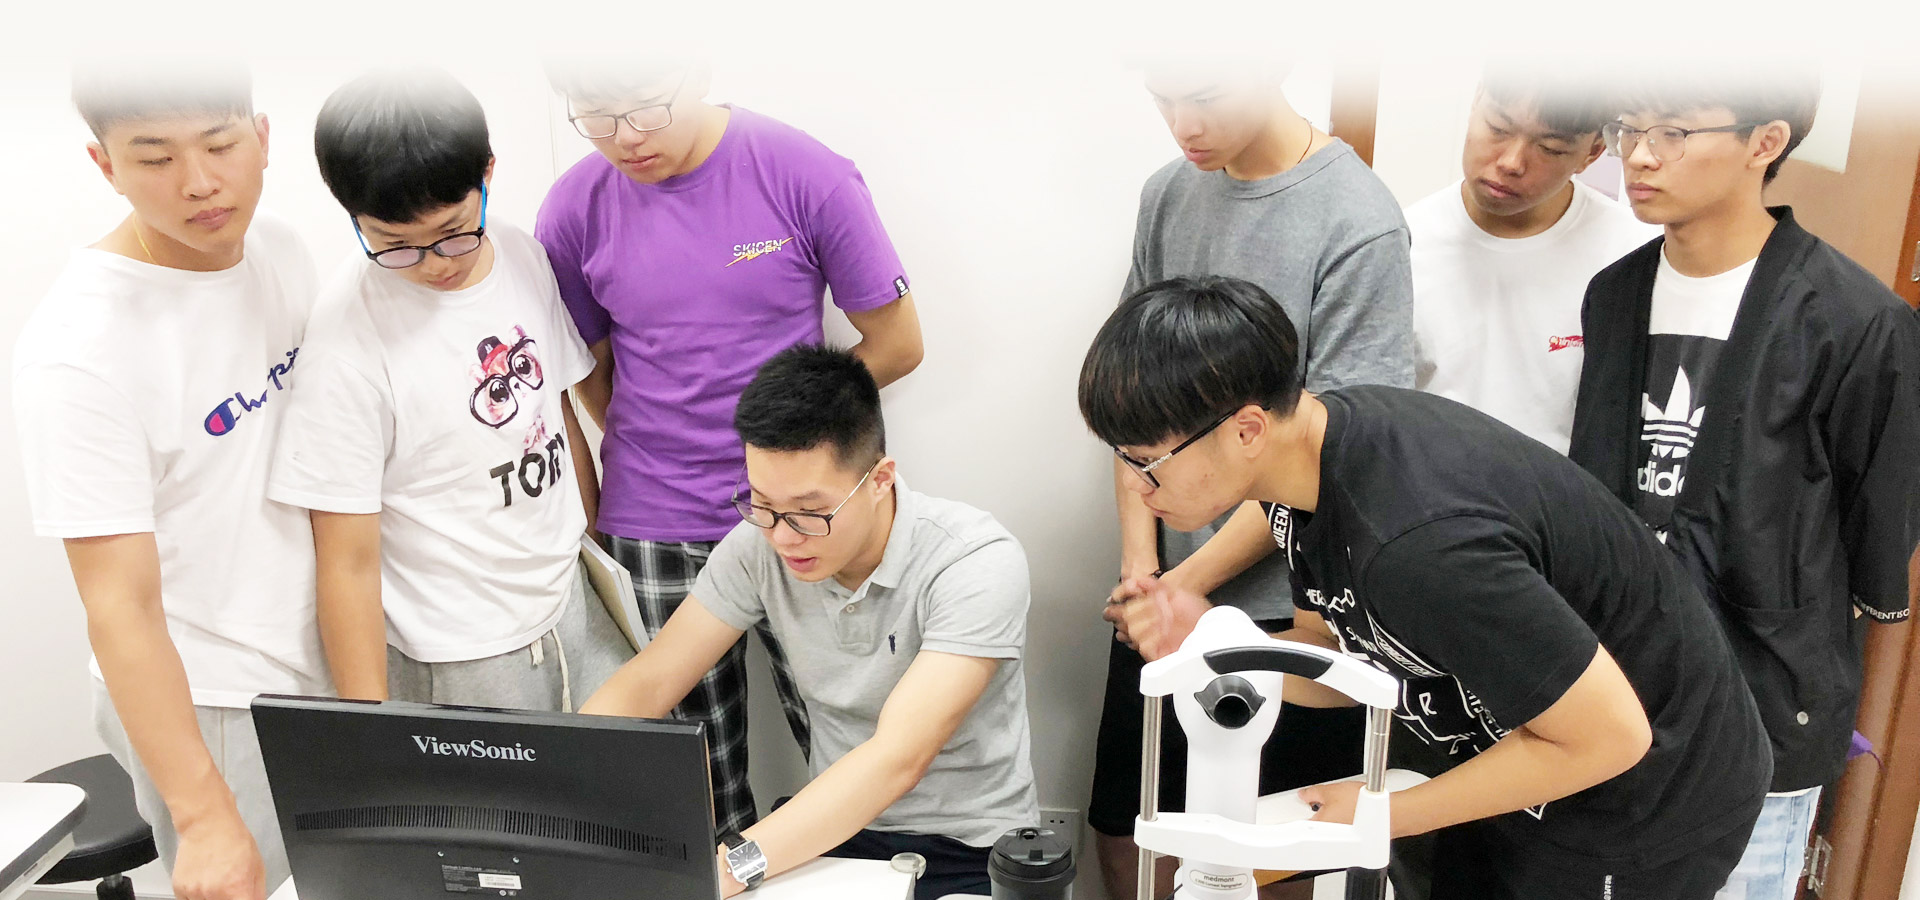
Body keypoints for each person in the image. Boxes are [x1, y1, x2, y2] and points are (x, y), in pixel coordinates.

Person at [1091, 276, 1769, 899]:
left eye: (1149, 462)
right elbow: (1344, 654)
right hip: (1521, 750)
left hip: (1647, 791)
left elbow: (1610, 739)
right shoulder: (1301, 468)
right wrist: (1227, 649)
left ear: (1246, 430)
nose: (1138, 486)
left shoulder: (1420, 544)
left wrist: (1380, 814)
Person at [537, 57, 925, 835]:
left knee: (850, 754)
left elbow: (897, 344)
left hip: (804, 518)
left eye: (645, 108)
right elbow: (590, 372)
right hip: (655, 521)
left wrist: (785, 439)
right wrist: (660, 449)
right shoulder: (574, 208)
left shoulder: (803, 173)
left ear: (697, 70)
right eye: (596, 118)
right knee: (692, 782)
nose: (626, 138)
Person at [1568, 68, 1920, 900]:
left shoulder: (1856, 322)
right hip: (1608, 706)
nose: (1639, 156)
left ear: (1766, 142)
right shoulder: (1614, 295)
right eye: (1628, 129)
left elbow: (1875, 538)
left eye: (1673, 132)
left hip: (1758, 718)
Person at [1094, 57, 1415, 900]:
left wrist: (1186, 585)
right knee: (1129, 831)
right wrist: (1143, 569)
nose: (1183, 125)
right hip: (1164, 592)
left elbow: (1323, 457)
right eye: (1163, 98)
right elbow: (1133, 398)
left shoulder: (1358, 222)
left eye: (1203, 97)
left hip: (1290, 606)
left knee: (1267, 854)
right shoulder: (1169, 193)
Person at [11, 62, 326, 900]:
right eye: (154, 158)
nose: (199, 182)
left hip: (322, 668)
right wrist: (203, 815)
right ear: (104, 164)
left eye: (219, 144)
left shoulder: (280, 249)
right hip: (213, 700)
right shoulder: (78, 353)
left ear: (262, 138)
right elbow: (119, 606)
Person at [580, 344, 1035, 900]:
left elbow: (899, 757)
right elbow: (650, 681)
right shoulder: (757, 546)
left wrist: (731, 867)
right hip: (835, 836)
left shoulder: (974, 562)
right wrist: (556, 780)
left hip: (970, 846)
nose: (783, 536)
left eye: (810, 512)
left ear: (880, 479)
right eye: (762, 503)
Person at [267, 69, 630, 712]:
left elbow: (558, 417)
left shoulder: (521, 254)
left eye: (454, 231)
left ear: (487, 173)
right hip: (460, 654)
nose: (435, 262)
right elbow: (345, 561)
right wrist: (370, 728)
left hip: (572, 595)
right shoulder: (345, 344)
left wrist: (596, 550)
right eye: (396, 246)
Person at [1407, 67, 1657, 452]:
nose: (1512, 162)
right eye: (1498, 128)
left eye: (1550, 148)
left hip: (1565, 488)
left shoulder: (1631, 255)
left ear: (1592, 153)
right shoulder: (1402, 242)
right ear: (1476, 99)